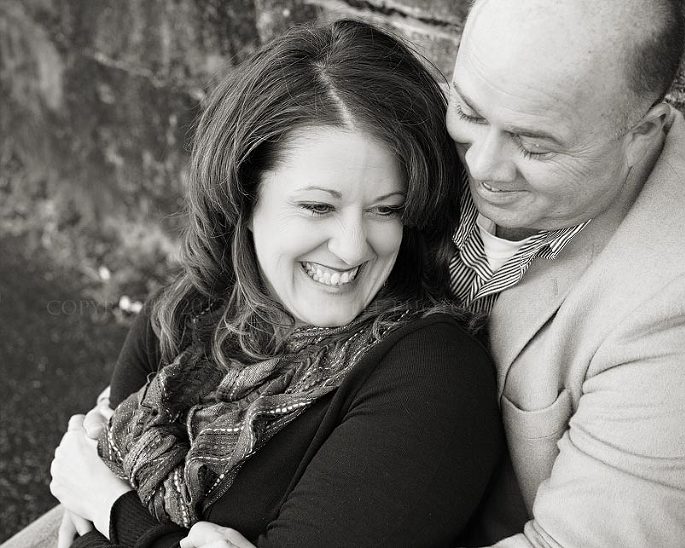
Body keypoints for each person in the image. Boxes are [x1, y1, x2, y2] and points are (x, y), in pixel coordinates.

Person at [47, 19, 504, 548]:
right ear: (243, 197)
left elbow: (94, 512)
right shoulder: (185, 311)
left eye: (386, 209)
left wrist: (110, 506)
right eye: (318, 207)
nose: (353, 247)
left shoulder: (430, 377)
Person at [445, 0, 685, 546]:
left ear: (642, 131)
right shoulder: (415, 134)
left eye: (534, 145)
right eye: (469, 114)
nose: (481, 165)